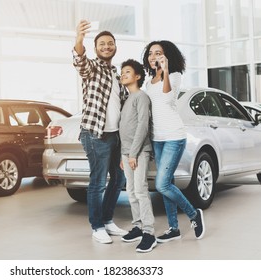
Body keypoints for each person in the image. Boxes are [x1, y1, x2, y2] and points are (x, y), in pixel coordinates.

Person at [142, 40, 205, 242]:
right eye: (151, 53)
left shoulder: (175, 75)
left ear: (167, 56)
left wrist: (166, 71)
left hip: (174, 136)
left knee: (161, 184)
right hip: (157, 137)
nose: (153, 56)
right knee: (167, 183)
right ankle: (173, 228)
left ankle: (194, 214)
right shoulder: (149, 80)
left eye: (158, 53)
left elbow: (168, 99)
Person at [73, 20, 128, 244]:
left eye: (110, 43)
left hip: (115, 135)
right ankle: (96, 227)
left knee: (119, 178)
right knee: (98, 181)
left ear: (115, 47)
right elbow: (80, 62)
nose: (107, 46)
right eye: (102, 44)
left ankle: (107, 221)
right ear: (96, 48)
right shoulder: (93, 68)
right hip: (96, 134)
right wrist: (79, 40)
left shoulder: (116, 74)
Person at [118, 59, 157, 253]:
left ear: (138, 76)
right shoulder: (127, 100)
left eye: (127, 72)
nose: (123, 75)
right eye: (122, 72)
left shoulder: (141, 97)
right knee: (131, 191)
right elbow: (124, 128)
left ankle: (149, 233)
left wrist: (133, 153)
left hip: (139, 151)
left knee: (141, 190)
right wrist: (123, 155)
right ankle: (138, 227)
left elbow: (143, 126)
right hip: (127, 153)